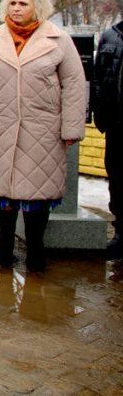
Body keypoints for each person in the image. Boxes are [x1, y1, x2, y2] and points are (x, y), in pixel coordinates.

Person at [0, 0, 87, 272]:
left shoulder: (58, 40)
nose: (16, 9)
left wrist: (71, 129)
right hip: (1, 126)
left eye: (23, 4)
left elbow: (73, 84)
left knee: (38, 193)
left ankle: (35, 249)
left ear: (38, 9)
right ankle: (4, 245)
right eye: (13, 3)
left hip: (42, 129)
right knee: (2, 192)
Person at [93, 16, 123, 259]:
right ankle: (120, 232)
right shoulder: (110, 36)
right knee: (117, 178)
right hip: (117, 123)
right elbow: (98, 76)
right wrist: (100, 112)